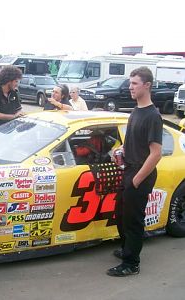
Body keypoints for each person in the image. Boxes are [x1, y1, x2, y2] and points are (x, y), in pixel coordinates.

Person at [107, 67, 163, 277]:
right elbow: (134, 142)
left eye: (134, 84)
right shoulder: (136, 111)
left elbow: (156, 153)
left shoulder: (152, 116)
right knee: (122, 216)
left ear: (147, 85)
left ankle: (132, 264)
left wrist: (137, 180)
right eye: (130, 83)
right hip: (129, 169)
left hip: (140, 173)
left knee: (133, 220)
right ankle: (126, 250)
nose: (130, 87)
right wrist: (121, 149)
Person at [0, 66, 25, 131]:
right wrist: (14, 116)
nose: (17, 84)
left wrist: (21, 114)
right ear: (9, 81)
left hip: (9, 131)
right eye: (16, 81)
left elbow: (18, 110)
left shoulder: (14, 92)